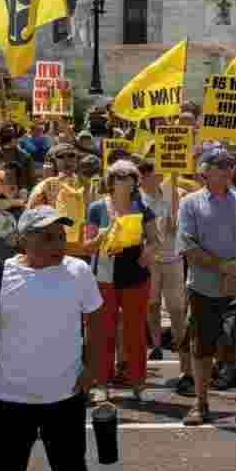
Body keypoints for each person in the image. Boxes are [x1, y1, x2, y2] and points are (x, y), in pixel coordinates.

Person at [0, 206, 103, 471]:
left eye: (61, 236)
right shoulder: (0, 274)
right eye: (47, 238)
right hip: (10, 398)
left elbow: (96, 325)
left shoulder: (79, 271)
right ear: (23, 239)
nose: (58, 245)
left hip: (65, 396)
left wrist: (92, 368)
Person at [177, 146, 236, 426]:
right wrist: (224, 268)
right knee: (202, 346)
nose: (227, 169)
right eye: (219, 165)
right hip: (202, 287)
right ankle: (200, 403)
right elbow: (188, 245)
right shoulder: (189, 203)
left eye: (229, 165)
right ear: (204, 171)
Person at [84, 160, 154, 401]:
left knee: (135, 331)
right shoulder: (96, 208)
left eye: (130, 178)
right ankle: (101, 384)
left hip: (136, 277)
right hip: (104, 278)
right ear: (111, 182)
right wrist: (103, 234)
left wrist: (149, 251)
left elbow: (156, 239)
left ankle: (139, 383)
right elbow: (88, 245)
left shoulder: (142, 208)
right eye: (120, 177)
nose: (126, 182)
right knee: (104, 332)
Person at [140, 159, 190, 389]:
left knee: (177, 311)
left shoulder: (175, 193)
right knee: (150, 304)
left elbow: (185, 225)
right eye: (153, 172)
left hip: (173, 260)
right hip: (151, 261)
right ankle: (156, 345)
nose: (159, 175)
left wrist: (176, 225)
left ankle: (185, 366)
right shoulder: (137, 199)